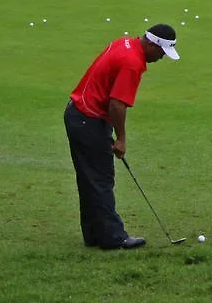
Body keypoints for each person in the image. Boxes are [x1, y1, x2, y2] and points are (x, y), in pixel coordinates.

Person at [64, 24, 180, 250]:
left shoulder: (124, 42)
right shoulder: (133, 64)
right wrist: (121, 139)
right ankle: (112, 238)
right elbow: (117, 104)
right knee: (101, 180)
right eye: (161, 53)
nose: (161, 58)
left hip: (78, 115)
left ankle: (94, 235)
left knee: (89, 180)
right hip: (89, 119)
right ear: (152, 44)